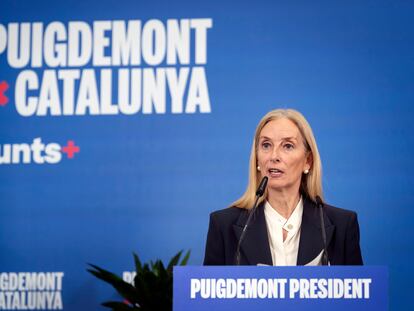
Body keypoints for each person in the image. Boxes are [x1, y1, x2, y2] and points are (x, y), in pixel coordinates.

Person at [203, 109, 363, 266]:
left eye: (287, 146)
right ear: (257, 160)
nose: (274, 156)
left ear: (308, 161)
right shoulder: (223, 226)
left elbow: (358, 290)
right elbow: (208, 291)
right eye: (266, 145)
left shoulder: (343, 226)